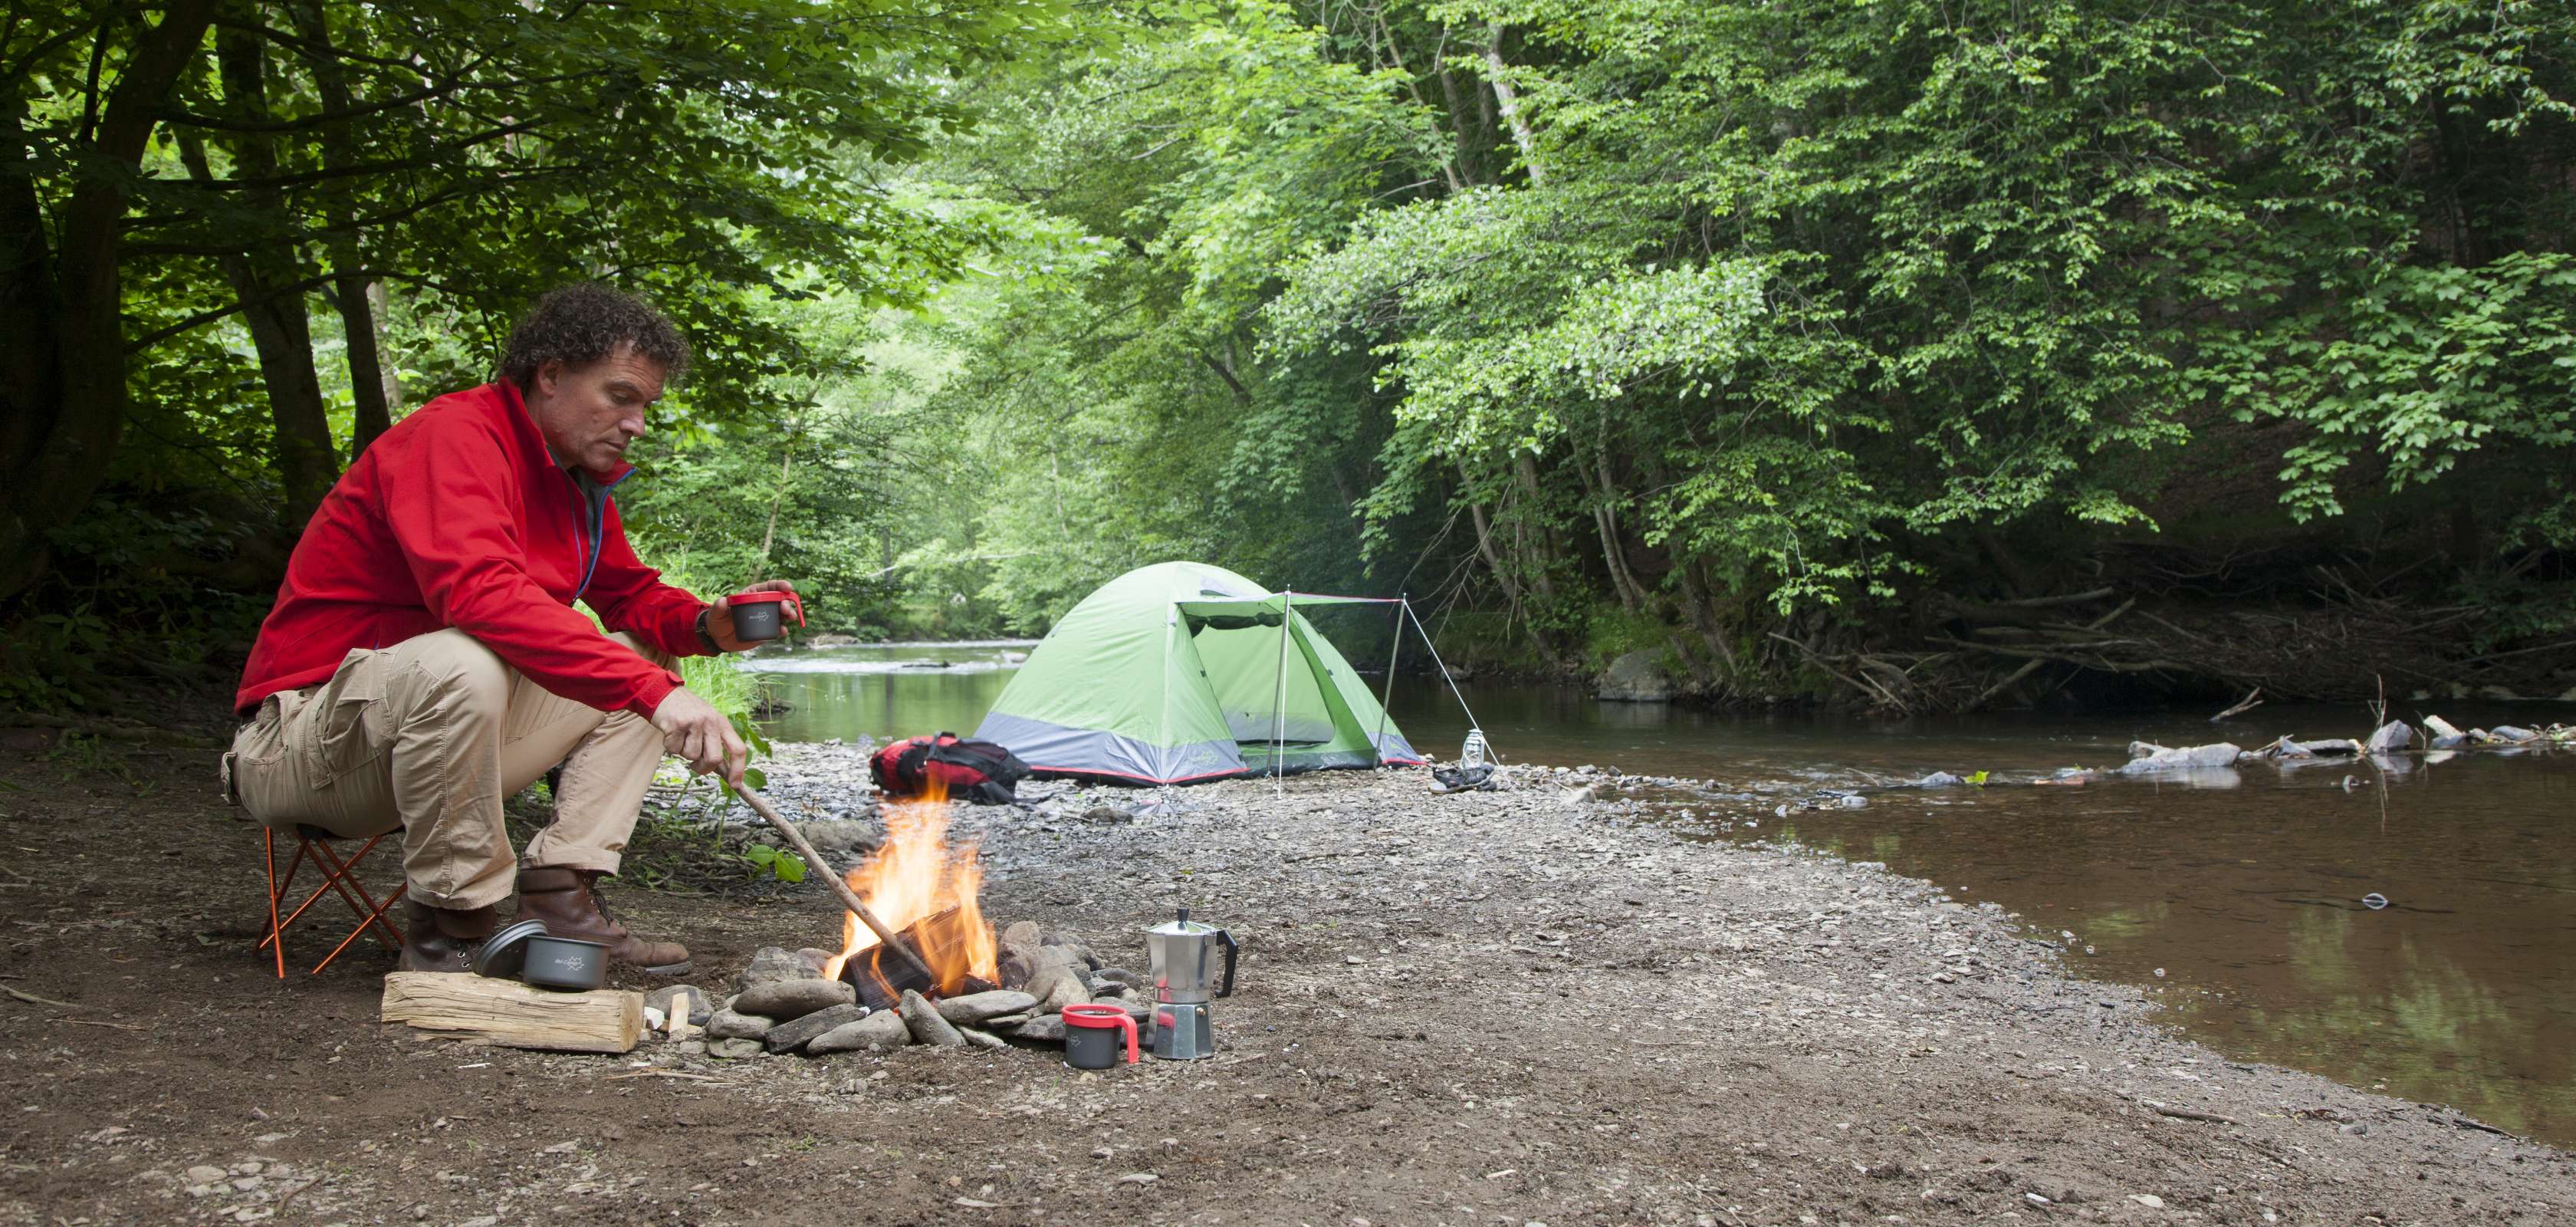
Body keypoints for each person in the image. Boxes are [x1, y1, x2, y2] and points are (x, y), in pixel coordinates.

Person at [225, 283, 792, 976]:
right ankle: (452, 935)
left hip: (426, 747)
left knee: (637, 658)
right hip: (304, 747)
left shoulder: (574, 480)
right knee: (463, 659)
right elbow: (477, 592)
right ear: (549, 375)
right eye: (621, 396)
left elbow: (631, 597)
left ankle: (561, 898)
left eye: (646, 406)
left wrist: (709, 626)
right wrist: (653, 691)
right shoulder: (454, 437)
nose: (638, 422)